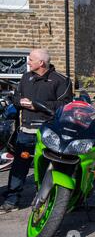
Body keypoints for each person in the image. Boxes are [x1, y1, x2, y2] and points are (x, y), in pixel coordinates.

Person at [0, 49, 73, 214]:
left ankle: (42, 199)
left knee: (46, 166)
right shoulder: (26, 77)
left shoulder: (61, 80)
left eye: (31, 59)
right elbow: (16, 97)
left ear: (41, 63)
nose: (28, 62)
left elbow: (65, 105)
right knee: (19, 166)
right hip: (26, 131)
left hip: (48, 132)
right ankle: (12, 200)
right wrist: (20, 102)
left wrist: (36, 104)